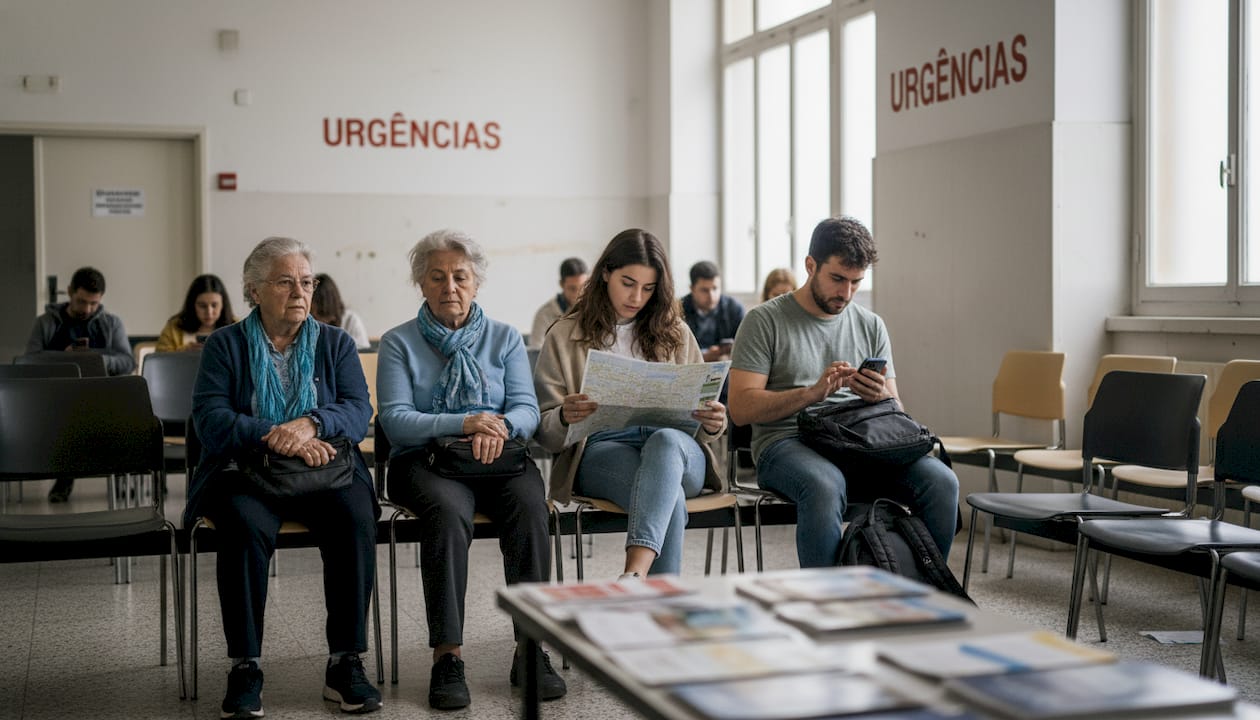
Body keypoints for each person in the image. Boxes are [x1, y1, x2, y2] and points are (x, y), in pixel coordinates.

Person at [186, 237, 381, 718]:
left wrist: (311, 424)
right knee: (241, 524)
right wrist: (274, 435)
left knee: (357, 516)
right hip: (247, 471)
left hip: (324, 468)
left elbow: (358, 411)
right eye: (285, 282)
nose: (300, 292)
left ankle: (345, 662)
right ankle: (245, 665)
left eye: (307, 282)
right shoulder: (225, 345)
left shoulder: (335, 342)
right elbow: (210, 420)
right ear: (253, 291)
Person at [377, 229, 564, 710]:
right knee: (447, 511)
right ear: (421, 283)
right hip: (425, 461)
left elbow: (526, 409)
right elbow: (396, 421)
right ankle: (447, 656)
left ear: (476, 282)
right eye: (437, 277)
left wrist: (497, 427)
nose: (450, 287)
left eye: (460, 276)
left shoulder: (504, 338)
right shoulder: (398, 342)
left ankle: (530, 648)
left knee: (531, 507)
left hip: (498, 456)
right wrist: (463, 422)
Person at [727, 216, 959, 568]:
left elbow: (897, 408)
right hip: (786, 441)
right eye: (837, 279)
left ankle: (921, 589)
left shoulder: (871, 324)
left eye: (856, 282)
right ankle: (830, 598)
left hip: (860, 443)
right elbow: (741, 408)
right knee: (825, 484)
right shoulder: (763, 321)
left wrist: (880, 396)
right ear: (810, 266)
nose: (846, 293)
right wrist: (811, 394)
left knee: (941, 481)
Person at [534, 229, 727, 578]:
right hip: (602, 451)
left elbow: (704, 417)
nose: (637, 297)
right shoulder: (563, 334)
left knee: (665, 442)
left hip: (678, 450)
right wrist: (563, 416)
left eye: (648, 288)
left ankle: (633, 578)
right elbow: (544, 432)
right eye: (628, 283)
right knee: (669, 500)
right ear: (606, 273)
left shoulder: (676, 332)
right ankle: (647, 591)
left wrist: (714, 421)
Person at [26, 266, 135, 502]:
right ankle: (70, 477)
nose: (87, 309)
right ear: (69, 292)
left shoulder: (112, 323)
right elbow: (29, 361)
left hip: (101, 397)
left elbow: (127, 362)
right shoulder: (45, 323)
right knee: (68, 412)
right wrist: (64, 358)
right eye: (81, 301)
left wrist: (97, 359)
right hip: (56, 398)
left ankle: (109, 477)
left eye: (94, 303)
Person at [681, 261, 745, 363]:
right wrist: (702, 357)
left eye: (715, 288)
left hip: (725, 365)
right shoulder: (678, 310)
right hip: (691, 366)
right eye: (704, 290)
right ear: (692, 289)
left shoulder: (734, 309)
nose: (711, 296)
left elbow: (744, 348)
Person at [156, 273, 237, 352]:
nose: (209, 312)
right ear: (192, 305)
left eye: (214, 305)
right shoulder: (174, 326)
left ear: (223, 304)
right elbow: (159, 357)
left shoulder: (236, 326)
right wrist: (184, 351)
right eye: (202, 306)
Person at [529, 257, 588, 349]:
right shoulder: (544, 315)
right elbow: (536, 351)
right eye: (572, 288)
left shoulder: (595, 309)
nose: (579, 294)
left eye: (583, 287)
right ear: (561, 284)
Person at [311, 273, 371, 350]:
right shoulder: (308, 322)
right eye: (313, 314)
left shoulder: (351, 320)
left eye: (321, 312)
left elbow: (364, 351)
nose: (318, 321)